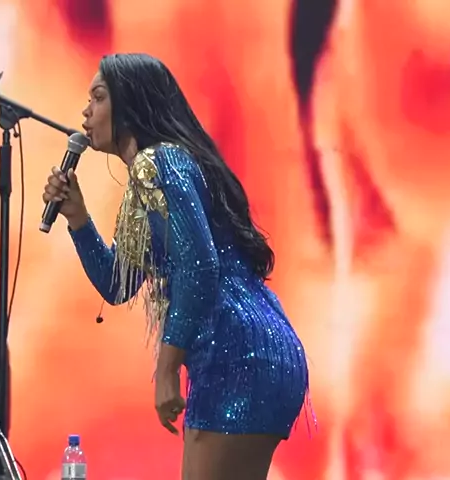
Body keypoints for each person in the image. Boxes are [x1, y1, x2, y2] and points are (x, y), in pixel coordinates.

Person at [42, 53, 309, 479]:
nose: (86, 111)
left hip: (236, 354)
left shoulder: (157, 163)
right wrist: (78, 217)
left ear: (130, 103)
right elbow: (117, 284)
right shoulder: (165, 167)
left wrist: (166, 368)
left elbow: (199, 266)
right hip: (257, 353)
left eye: (99, 97)